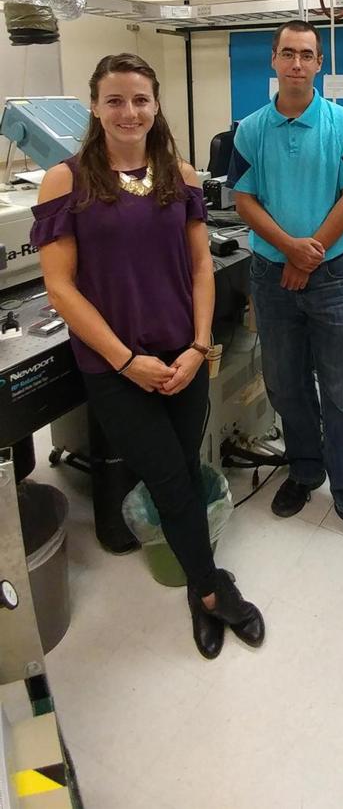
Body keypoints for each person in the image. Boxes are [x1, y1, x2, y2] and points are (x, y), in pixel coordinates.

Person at [30, 52, 264, 661]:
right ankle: (212, 592)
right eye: (115, 100)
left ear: (156, 104)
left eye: (139, 99)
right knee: (167, 477)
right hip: (114, 367)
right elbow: (61, 287)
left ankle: (200, 585)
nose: (129, 111)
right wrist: (126, 361)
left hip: (182, 356)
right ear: (95, 107)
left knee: (183, 471)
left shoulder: (181, 176)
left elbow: (201, 268)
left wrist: (198, 346)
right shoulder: (67, 180)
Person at [227, 20, 343, 558]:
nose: (297, 64)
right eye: (288, 54)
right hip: (273, 279)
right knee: (286, 386)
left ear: (318, 63)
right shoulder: (250, 129)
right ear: (273, 60)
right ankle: (303, 469)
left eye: (307, 55)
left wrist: (310, 250)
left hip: (334, 276)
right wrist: (288, 249)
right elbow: (244, 201)